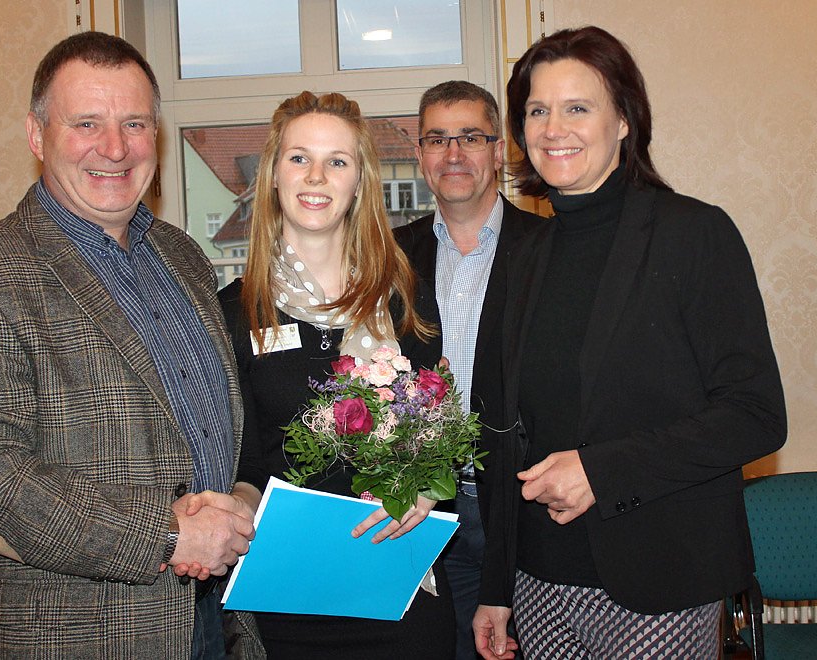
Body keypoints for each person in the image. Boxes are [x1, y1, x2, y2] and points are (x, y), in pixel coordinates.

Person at [0, 31, 264, 659]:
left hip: (219, 620)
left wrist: (237, 501)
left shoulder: (181, 256)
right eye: (87, 123)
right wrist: (167, 535)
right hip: (81, 636)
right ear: (37, 135)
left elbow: (209, 429)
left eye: (135, 124)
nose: (115, 148)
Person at [472, 26, 787, 659]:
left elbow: (755, 416)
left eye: (577, 107)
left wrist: (602, 470)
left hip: (659, 577)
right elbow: (500, 430)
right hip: (539, 581)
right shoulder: (522, 255)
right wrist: (497, 585)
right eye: (537, 110)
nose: (553, 128)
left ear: (623, 120)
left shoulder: (693, 234)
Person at [218, 90, 456, 659]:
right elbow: (244, 462)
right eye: (299, 157)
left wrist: (427, 488)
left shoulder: (404, 299)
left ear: (359, 183)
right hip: (288, 600)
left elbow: (439, 431)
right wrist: (233, 509)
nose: (316, 177)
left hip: (398, 588)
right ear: (274, 175)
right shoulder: (234, 312)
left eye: (337, 161)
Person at [394, 80, 544, 660]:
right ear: (420, 154)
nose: (453, 153)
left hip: (526, 508)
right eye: (437, 139)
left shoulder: (548, 247)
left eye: (471, 137)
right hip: (422, 508)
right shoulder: (389, 256)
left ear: (498, 150)